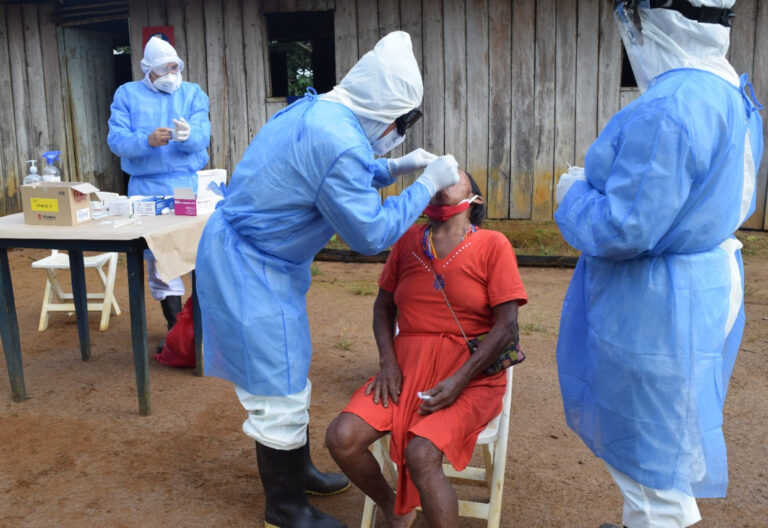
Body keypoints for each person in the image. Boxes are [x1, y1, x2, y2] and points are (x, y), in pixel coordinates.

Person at [195, 31, 460, 528]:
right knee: (278, 389)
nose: (400, 131)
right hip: (250, 269)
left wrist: (396, 167)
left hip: (259, 259)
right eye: (401, 123)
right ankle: (286, 506)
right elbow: (369, 232)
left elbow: (334, 173)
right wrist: (425, 183)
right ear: (382, 111)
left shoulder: (319, 111)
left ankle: (298, 470)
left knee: (290, 372)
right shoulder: (337, 140)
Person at [554, 1, 763, 527]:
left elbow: (625, 227)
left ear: (660, 21)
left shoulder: (669, 104)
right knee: (671, 438)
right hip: (704, 284)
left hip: (657, 302)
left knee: (649, 463)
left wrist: (573, 193)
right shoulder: (733, 92)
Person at [326, 170, 528, 528]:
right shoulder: (407, 241)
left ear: (474, 200)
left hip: (470, 377)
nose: (440, 183)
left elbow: (507, 327)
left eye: (452, 178)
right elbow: (383, 307)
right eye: (437, 178)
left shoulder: (493, 245)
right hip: (403, 372)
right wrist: (388, 363)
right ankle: (393, 507)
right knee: (342, 437)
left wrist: (460, 380)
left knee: (421, 454)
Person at [107, 36, 211, 350]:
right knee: (159, 260)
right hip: (146, 190)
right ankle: (175, 330)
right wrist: (146, 141)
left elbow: (203, 135)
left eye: (174, 68)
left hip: (184, 186)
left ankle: (201, 329)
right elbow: (116, 141)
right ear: (148, 69)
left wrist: (189, 135)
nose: (171, 75)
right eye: (163, 69)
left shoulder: (192, 93)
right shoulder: (126, 95)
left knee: (192, 253)